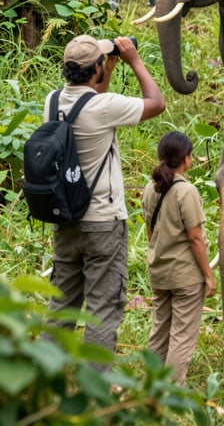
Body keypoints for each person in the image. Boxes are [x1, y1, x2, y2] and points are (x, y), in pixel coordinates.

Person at [47, 34, 166, 361]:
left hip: (66, 217)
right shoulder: (105, 107)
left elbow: (88, 102)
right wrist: (134, 60)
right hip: (103, 223)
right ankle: (95, 379)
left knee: (61, 306)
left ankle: (44, 373)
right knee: (103, 306)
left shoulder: (53, 101)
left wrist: (106, 70)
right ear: (95, 69)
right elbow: (156, 103)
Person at [141, 131, 216, 384]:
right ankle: (172, 390)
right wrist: (208, 275)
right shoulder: (186, 191)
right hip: (185, 276)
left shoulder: (150, 188)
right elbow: (195, 238)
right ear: (186, 158)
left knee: (159, 330)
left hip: (159, 272)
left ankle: (151, 385)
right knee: (182, 335)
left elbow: (151, 232)